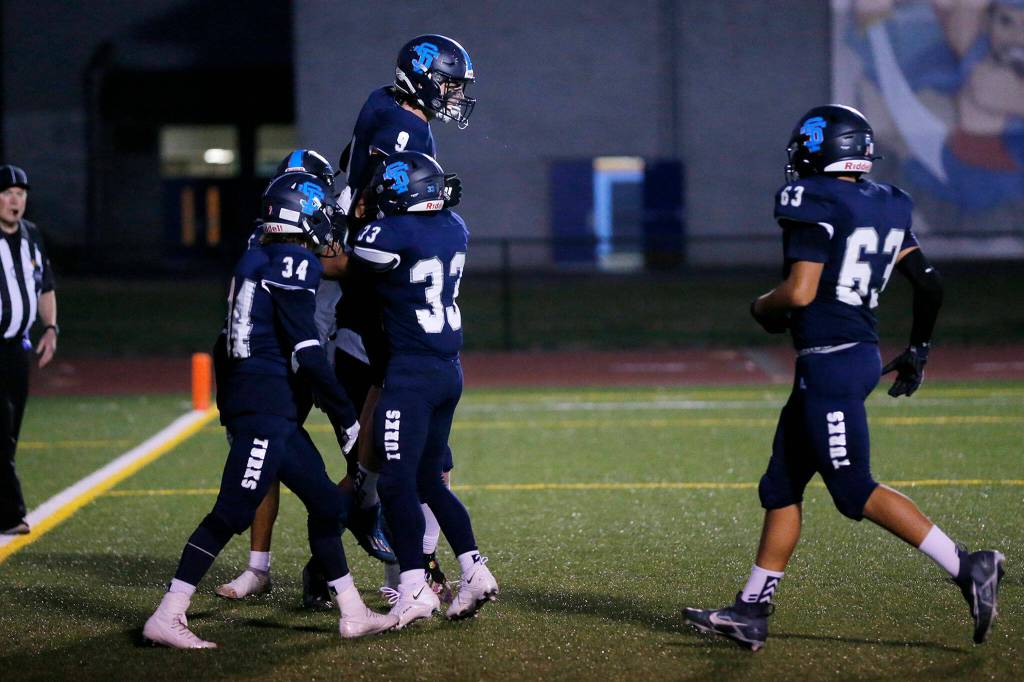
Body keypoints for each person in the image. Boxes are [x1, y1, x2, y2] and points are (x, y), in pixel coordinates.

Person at [682, 105, 1005, 651]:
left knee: (854, 489)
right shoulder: (887, 202)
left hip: (830, 361)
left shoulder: (813, 200)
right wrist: (918, 348)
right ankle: (750, 611)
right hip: (849, 356)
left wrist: (764, 307)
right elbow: (927, 284)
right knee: (781, 487)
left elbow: (801, 292)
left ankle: (967, 564)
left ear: (815, 149)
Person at [220, 33, 476, 606]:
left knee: (386, 459)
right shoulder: (406, 141)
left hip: (358, 303)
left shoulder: (380, 103)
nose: (456, 94)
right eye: (450, 81)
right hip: (371, 310)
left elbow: (358, 185)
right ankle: (409, 569)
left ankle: (342, 559)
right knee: (411, 462)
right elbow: (377, 204)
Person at [143, 172, 396, 648]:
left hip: (258, 402)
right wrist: (346, 419)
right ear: (299, 213)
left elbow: (226, 343)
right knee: (232, 510)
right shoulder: (294, 261)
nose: (325, 219)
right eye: (318, 209)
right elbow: (306, 349)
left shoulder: (252, 257)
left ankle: (353, 611)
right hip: (266, 406)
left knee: (324, 502)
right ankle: (169, 612)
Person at [214, 149, 395, 604]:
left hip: (321, 355)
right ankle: (261, 566)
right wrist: (394, 255)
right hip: (283, 361)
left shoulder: (310, 225)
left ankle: (335, 556)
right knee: (267, 459)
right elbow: (337, 264)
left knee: (364, 455)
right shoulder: (281, 236)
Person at [351, 151, 498, 628]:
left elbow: (357, 259)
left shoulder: (390, 233)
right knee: (430, 480)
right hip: (447, 369)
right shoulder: (455, 227)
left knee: (396, 482)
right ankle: (474, 569)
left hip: (410, 374)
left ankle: (413, 587)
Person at [0, 164, 58, 536]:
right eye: (6, 193)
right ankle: (10, 513)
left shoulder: (31, 236)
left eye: (20, 194)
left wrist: (51, 327)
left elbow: (45, 286)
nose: (14, 200)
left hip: (16, 351)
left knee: (11, 434)